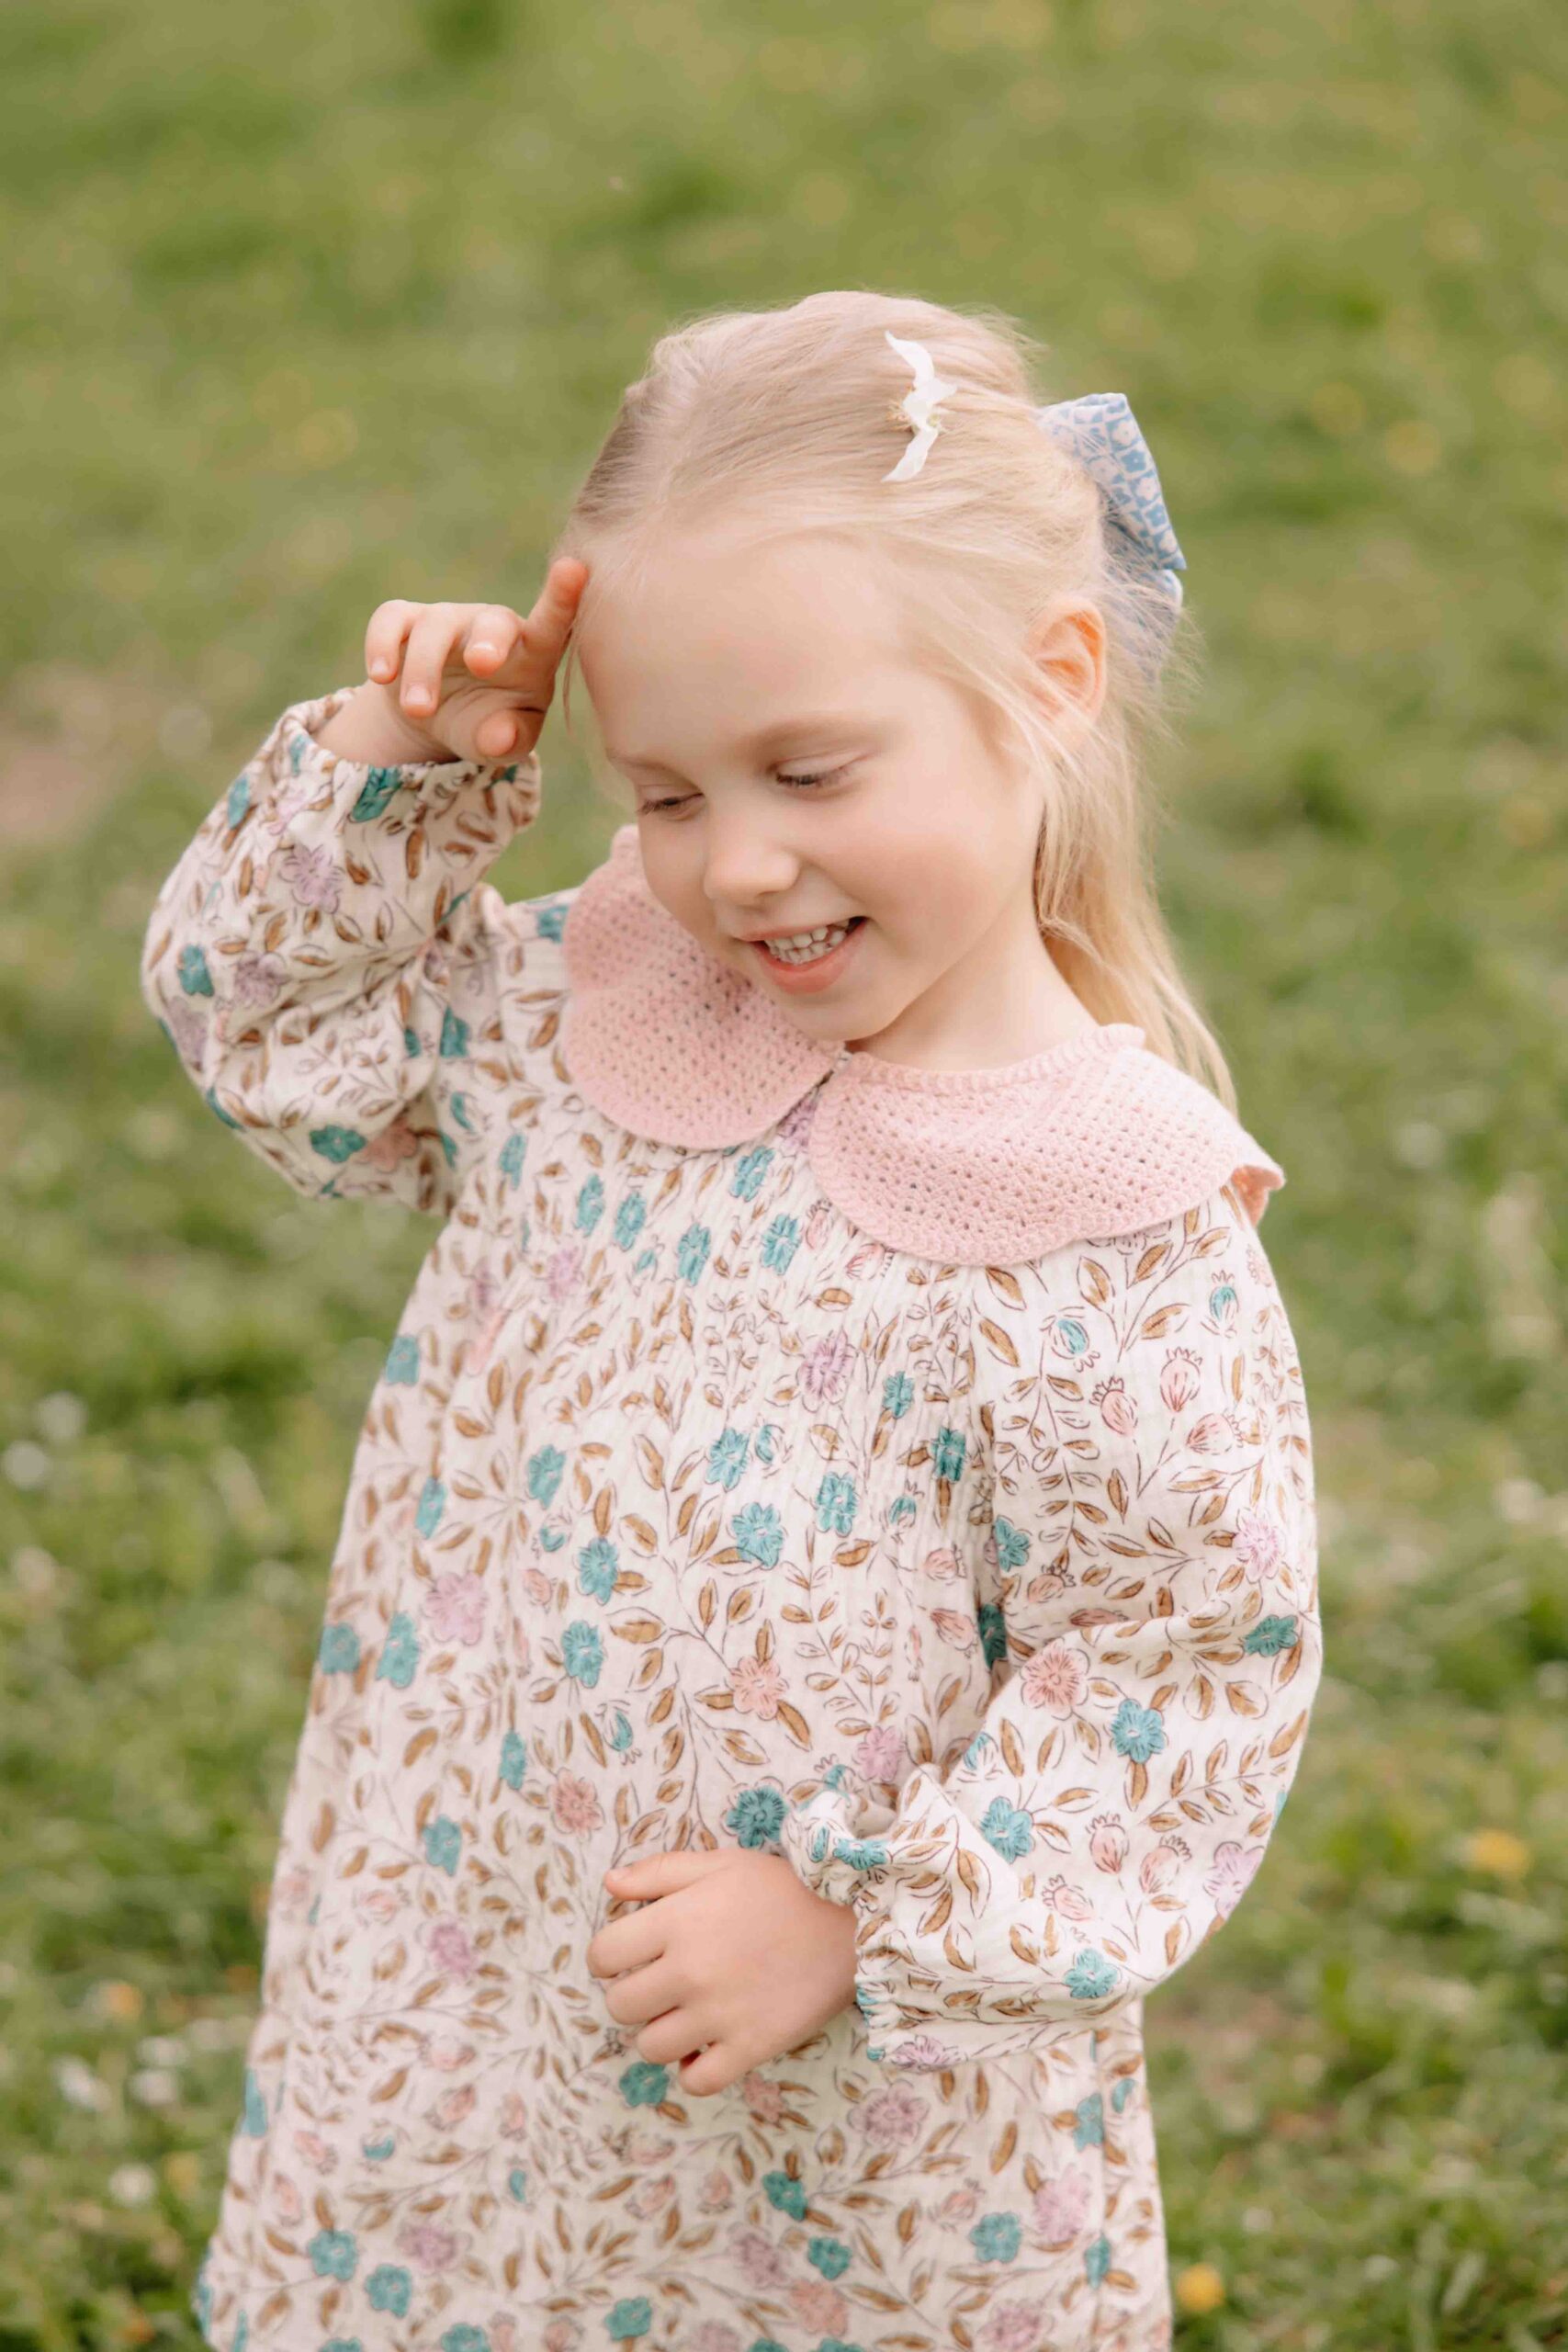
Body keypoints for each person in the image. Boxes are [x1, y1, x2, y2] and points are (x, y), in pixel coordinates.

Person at [141, 288, 1322, 2352]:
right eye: (665, 791)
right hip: (478, 1985)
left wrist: (854, 1920)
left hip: (848, 2107)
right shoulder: (579, 1015)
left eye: (805, 767)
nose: (739, 868)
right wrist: (395, 771)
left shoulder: (1106, 1224)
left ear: (1044, 683)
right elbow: (275, 1039)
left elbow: (1179, 1674)